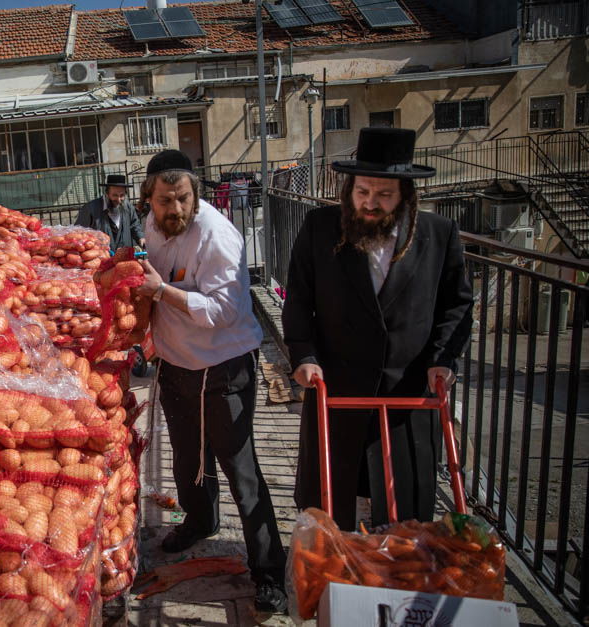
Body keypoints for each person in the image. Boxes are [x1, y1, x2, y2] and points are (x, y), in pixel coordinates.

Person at [282, 127, 473, 531]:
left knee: (404, 509)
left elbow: (456, 305)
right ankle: (331, 571)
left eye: (384, 195)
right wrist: (304, 356)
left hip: (406, 391)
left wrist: (443, 359)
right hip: (336, 384)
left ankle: (396, 574)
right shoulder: (320, 228)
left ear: (405, 193)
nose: (370, 203)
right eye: (362, 191)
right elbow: (298, 299)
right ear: (350, 188)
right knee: (329, 504)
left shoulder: (438, 235)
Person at [135, 149, 288, 614]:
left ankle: (268, 571)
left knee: (241, 471)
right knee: (186, 458)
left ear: (196, 194)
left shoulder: (217, 234)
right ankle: (199, 522)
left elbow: (222, 312)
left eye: (183, 198)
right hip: (176, 365)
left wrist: (162, 291)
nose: (175, 209)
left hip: (224, 366)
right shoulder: (151, 227)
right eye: (165, 201)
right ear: (149, 200)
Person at [74, 174, 144, 251]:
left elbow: (134, 225)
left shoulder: (129, 207)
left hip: (124, 259)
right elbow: (79, 233)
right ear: (106, 194)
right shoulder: (90, 209)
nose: (119, 199)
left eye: (122, 195)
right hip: (100, 259)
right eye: (115, 195)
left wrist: (140, 237)